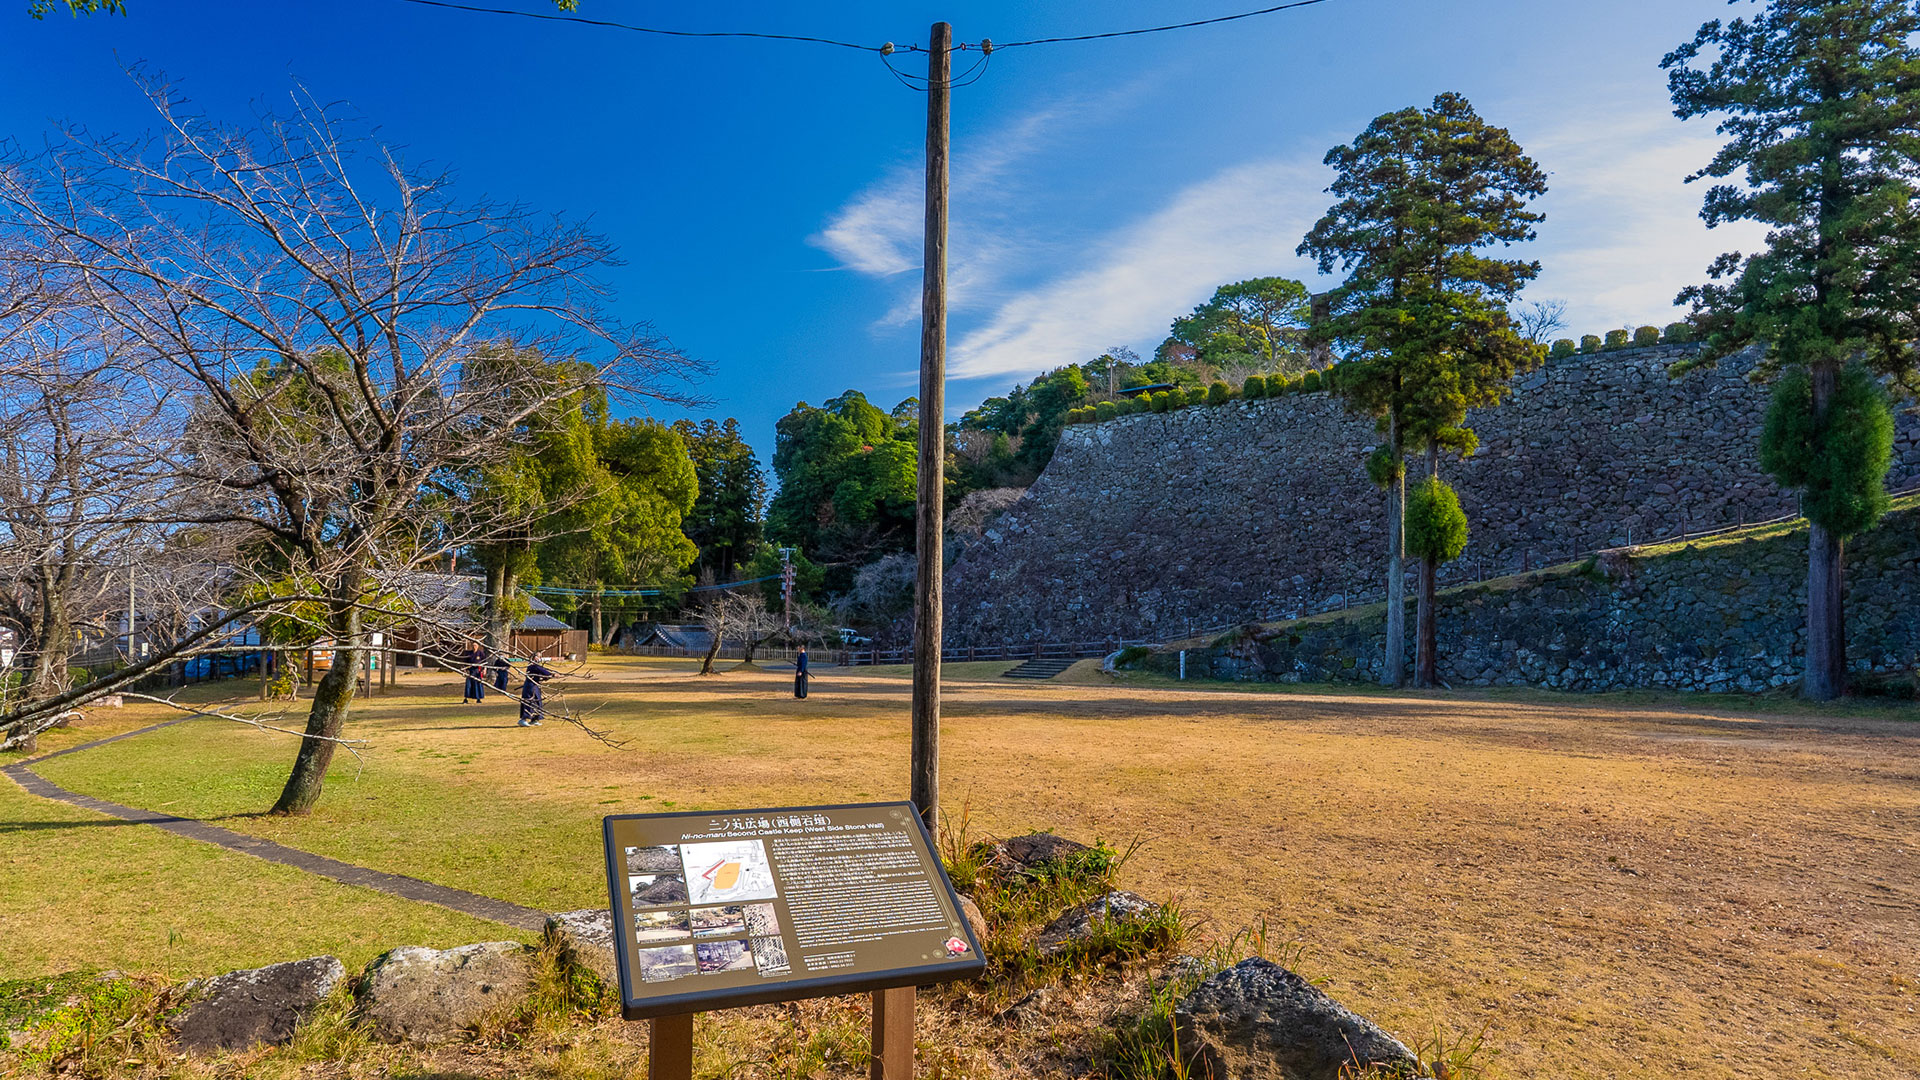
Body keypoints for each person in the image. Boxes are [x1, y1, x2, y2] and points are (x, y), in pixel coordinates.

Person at [519, 655, 554, 727]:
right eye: (537, 656)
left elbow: (542, 675)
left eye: (540, 656)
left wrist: (547, 677)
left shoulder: (537, 667)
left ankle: (534, 720)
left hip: (535, 686)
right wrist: (552, 674)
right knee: (529, 702)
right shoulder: (532, 666)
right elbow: (544, 672)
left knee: (537, 702)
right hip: (530, 686)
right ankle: (523, 720)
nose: (539, 658)